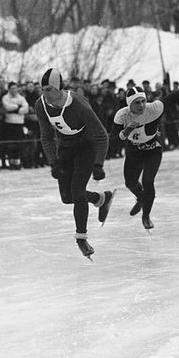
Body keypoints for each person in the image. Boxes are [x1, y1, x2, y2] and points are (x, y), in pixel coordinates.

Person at [35, 68, 114, 259]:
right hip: (66, 148)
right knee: (67, 197)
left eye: (49, 89)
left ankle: (81, 238)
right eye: (43, 89)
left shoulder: (78, 103)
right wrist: (53, 161)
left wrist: (98, 164)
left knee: (77, 191)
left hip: (87, 147)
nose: (45, 94)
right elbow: (46, 136)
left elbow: (101, 135)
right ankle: (101, 199)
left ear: (59, 88)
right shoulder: (41, 105)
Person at [112, 86, 166, 230]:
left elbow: (174, 98)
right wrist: (126, 131)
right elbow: (113, 139)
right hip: (134, 149)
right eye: (137, 103)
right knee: (130, 182)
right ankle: (142, 198)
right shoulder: (122, 115)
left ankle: (146, 215)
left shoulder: (153, 107)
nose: (141, 105)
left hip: (153, 149)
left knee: (148, 181)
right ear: (129, 104)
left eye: (143, 101)